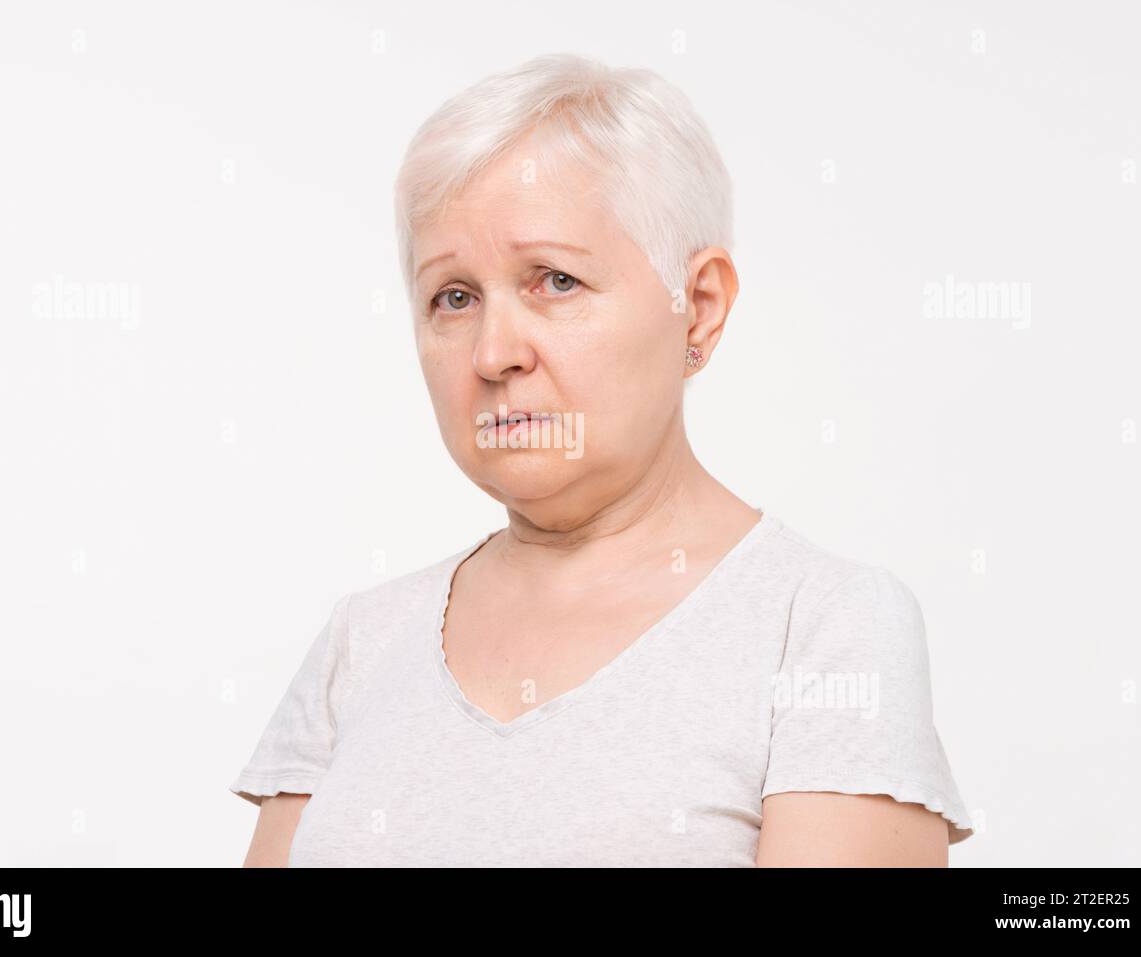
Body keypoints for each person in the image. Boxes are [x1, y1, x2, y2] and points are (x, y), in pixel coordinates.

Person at [230, 52, 974, 866]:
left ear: (698, 308)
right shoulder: (363, 640)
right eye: (454, 296)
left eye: (554, 280)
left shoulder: (823, 625)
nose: (494, 351)